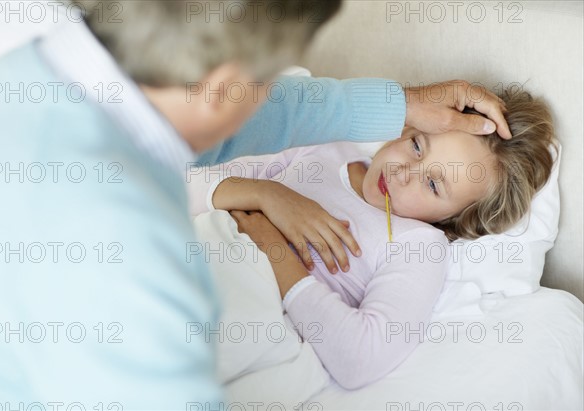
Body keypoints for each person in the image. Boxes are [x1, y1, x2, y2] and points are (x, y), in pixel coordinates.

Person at [0, 0, 511, 409]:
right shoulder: (128, 252)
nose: (268, 102)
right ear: (222, 88)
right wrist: (260, 200)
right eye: (268, 83)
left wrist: (402, 104)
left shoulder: (16, 78)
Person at [188, 89, 556, 389]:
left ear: (453, 219)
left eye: (432, 184)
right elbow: (183, 184)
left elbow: (361, 357)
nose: (400, 172)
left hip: (232, 297)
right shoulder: (324, 147)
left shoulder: (418, 245)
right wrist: (266, 194)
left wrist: (275, 247)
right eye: (416, 146)